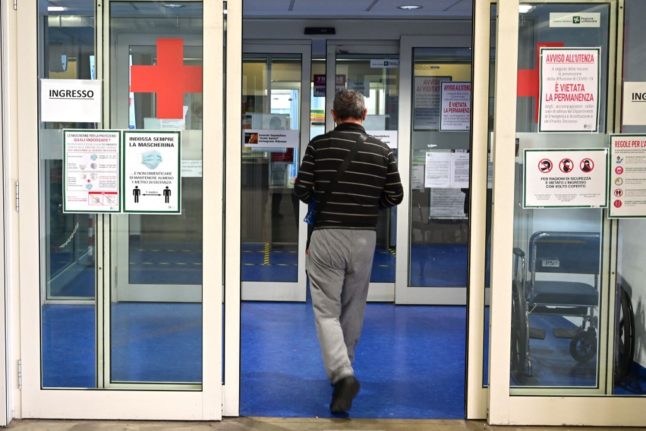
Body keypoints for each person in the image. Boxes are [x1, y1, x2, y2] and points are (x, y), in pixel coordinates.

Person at [294, 89, 403, 414]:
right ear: (365, 113)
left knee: (326, 310)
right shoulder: (382, 150)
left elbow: (302, 190)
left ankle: (342, 375)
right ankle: (346, 369)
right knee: (353, 306)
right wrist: (368, 205)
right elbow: (395, 195)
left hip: (327, 235)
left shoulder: (318, 146)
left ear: (333, 114)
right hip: (364, 238)